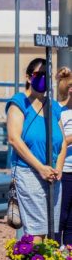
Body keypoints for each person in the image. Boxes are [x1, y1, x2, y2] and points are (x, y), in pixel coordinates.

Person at [6, 58, 65, 240]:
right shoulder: (19, 103)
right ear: (29, 77)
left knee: (51, 230)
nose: (43, 79)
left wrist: (59, 168)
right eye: (39, 75)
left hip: (53, 175)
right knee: (37, 230)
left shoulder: (53, 106)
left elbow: (62, 141)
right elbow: (14, 139)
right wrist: (40, 168)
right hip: (29, 172)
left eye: (47, 75)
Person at [57, 67, 72, 245]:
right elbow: (58, 141)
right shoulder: (60, 111)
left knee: (71, 223)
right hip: (65, 171)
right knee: (60, 218)